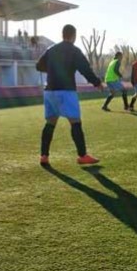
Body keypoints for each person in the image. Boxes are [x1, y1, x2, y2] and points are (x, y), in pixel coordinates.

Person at [36, 24, 103, 166]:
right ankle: (82, 155)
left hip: (50, 91)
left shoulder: (51, 49)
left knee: (50, 123)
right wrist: (97, 83)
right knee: (75, 122)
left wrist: (52, 69)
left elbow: (38, 66)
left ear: (62, 34)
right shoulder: (74, 51)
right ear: (73, 36)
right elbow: (85, 69)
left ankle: (44, 156)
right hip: (66, 91)